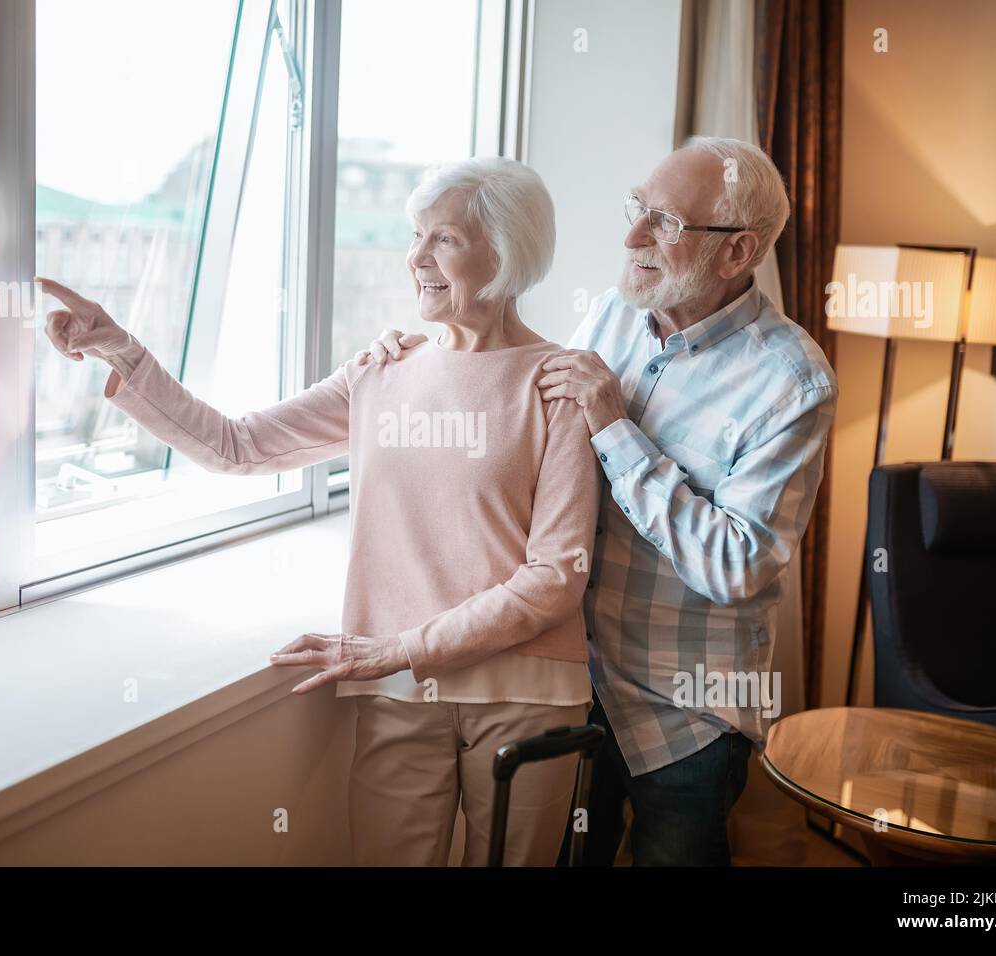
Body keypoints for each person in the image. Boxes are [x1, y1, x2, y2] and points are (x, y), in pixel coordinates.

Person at [36, 156, 600, 866]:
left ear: (506, 251)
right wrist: (120, 346)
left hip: (525, 691)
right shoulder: (382, 373)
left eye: (444, 240)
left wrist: (398, 648)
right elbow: (236, 446)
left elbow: (554, 577)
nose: (416, 257)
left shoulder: (560, 385)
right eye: (416, 236)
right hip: (398, 686)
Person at [361, 136, 839, 865]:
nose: (632, 236)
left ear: (738, 252)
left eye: (665, 223)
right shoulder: (615, 312)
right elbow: (526, 422)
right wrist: (421, 359)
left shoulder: (792, 384)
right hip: (573, 686)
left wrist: (617, 427)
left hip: (685, 719)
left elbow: (738, 566)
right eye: (637, 208)